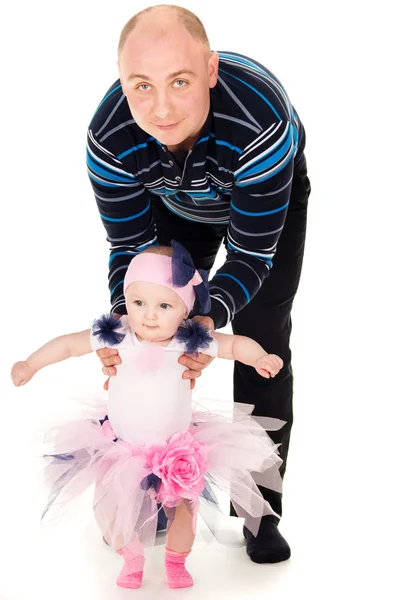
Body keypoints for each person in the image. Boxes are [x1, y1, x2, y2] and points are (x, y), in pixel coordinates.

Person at [87, 4, 311, 563]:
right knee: (154, 339)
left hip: (261, 203)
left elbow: (252, 253)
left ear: (210, 70)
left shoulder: (262, 124)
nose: (160, 108)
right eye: (141, 86)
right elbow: (126, 250)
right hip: (172, 203)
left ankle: (260, 511)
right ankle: (162, 492)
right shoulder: (110, 138)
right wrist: (129, 319)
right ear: (123, 81)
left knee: (262, 341)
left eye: (180, 82)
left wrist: (208, 319)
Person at [11, 243, 284, 590]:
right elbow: (67, 345)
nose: (149, 315)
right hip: (123, 446)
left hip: (176, 450)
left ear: (186, 311)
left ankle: (176, 560)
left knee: (184, 512)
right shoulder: (119, 335)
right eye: (138, 303)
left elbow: (233, 345)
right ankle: (131, 559)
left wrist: (259, 357)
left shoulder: (190, 340)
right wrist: (31, 364)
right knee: (111, 510)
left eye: (164, 305)